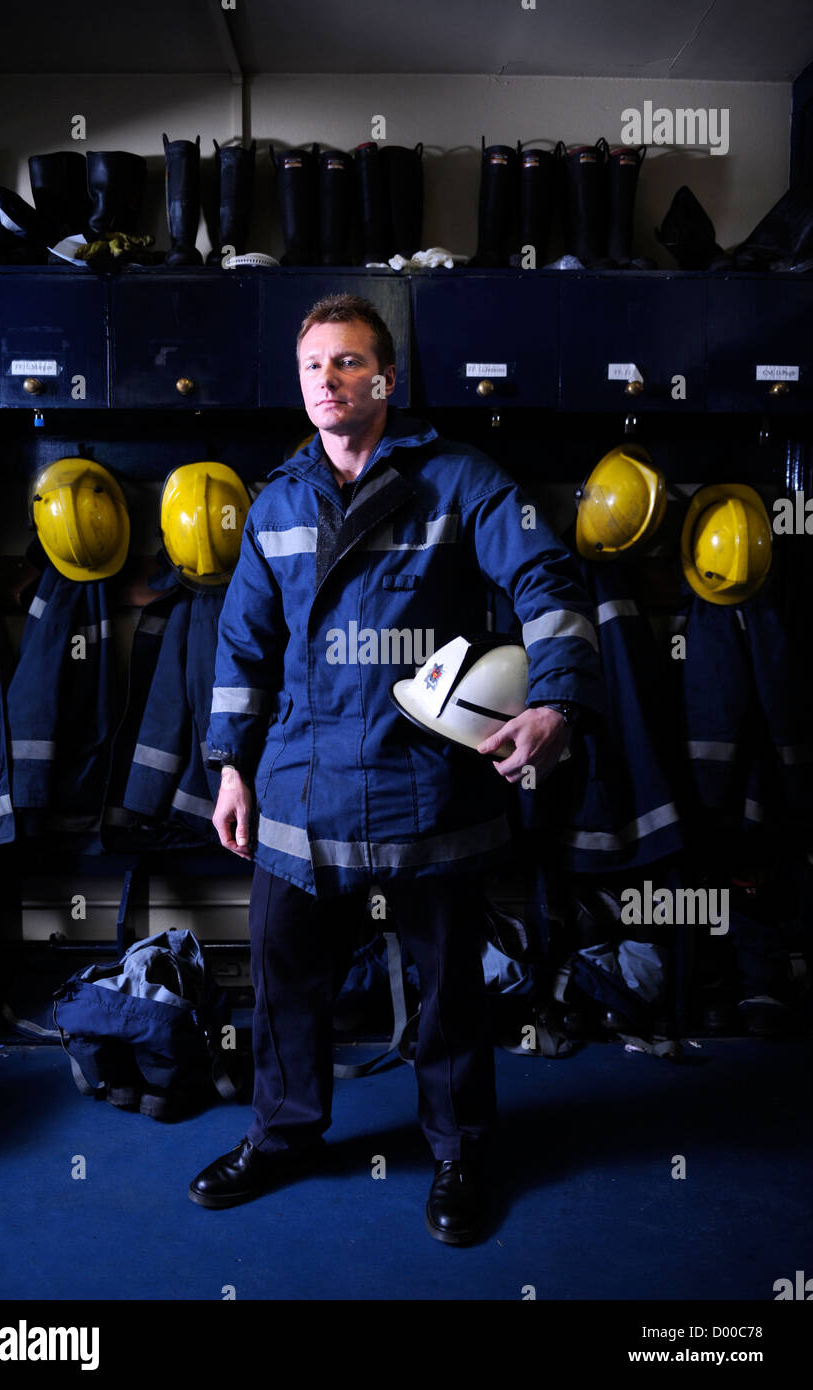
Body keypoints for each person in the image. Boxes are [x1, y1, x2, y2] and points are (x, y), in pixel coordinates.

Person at [189, 293, 603, 1244]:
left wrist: (556, 703)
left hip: (427, 791)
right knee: (284, 980)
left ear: (385, 379)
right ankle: (284, 1135)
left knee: (449, 991)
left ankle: (460, 1151)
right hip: (297, 789)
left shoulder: (460, 481)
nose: (327, 381)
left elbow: (548, 582)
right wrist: (228, 767)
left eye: (347, 363)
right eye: (312, 368)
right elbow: (243, 648)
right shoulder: (278, 500)